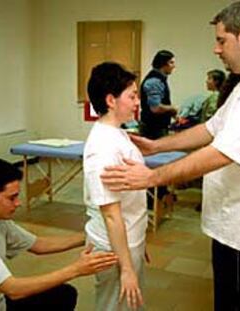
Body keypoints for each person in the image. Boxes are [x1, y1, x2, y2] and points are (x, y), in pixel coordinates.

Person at [101, 1, 240, 310]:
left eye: (222, 40)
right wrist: (156, 146)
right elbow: (210, 129)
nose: (216, 50)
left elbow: (222, 153)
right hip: (232, 223)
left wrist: (152, 176)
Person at [0, 158, 118, 311]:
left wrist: (90, 235)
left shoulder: (0, 223)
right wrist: (76, 269)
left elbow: (39, 245)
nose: (18, 203)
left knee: (64, 295)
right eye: (12, 198)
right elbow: (13, 290)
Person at [84, 62, 147, 311]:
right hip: (115, 248)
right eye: (132, 96)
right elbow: (110, 214)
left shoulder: (118, 133)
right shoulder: (102, 148)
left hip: (129, 240)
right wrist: (127, 267)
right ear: (111, 100)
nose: (137, 102)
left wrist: (139, 242)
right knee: (115, 305)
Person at [139, 50, 178, 139]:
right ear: (163, 63)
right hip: (153, 129)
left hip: (157, 127)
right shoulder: (154, 82)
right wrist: (172, 108)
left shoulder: (160, 79)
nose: (174, 66)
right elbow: (156, 108)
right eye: (171, 63)